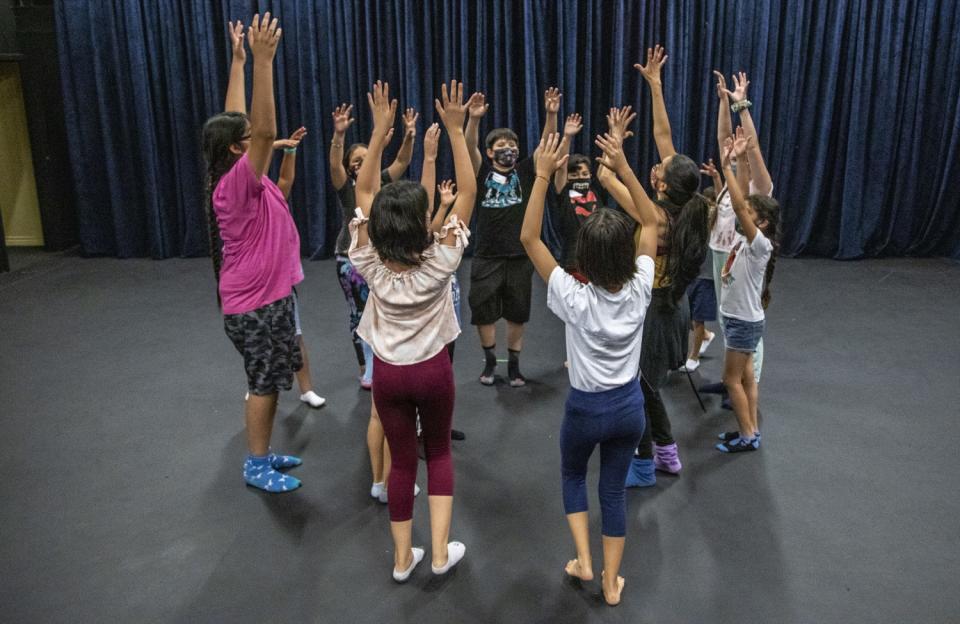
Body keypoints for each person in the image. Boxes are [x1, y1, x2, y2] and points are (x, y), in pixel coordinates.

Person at [520, 131, 658, 606]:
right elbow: (653, 221)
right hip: (629, 408)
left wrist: (540, 175)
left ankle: (583, 560)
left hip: (584, 409)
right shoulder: (641, 287)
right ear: (626, 253)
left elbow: (529, 237)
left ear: (584, 259)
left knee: (574, 476)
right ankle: (612, 582)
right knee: (614, 492)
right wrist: (622, 168)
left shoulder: (573, 297)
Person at [349, 80, 476, 582]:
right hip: (432, 371)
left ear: (379, 227)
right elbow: (466, 191)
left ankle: (403, 560)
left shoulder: (368, 261)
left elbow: (363, 189)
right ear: (421, 224)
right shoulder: (441, 260)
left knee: (401, 464)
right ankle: (441, 553)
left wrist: (380, 131)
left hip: (388, 374)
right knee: (438, 452)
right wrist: (455, 130)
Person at [202, 15, 303, 492]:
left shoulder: (241, 173)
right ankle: (255, 463)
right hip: (254, 305)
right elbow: (261, 131)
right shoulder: (237, 184)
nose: (253, 140)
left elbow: (240, 122)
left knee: (271, 376)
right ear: (236, 149)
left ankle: (263, 451)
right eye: (244, 140)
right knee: (262, 381)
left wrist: (240, 61)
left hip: (270, 297)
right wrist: (265, 63)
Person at [625, 46, 711, 486]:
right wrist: (655, 87)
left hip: (657, 311)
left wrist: (614, 163)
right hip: (672, 306)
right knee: (646, 385)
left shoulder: (657, 216)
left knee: (639, 386)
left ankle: (644, 464)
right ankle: (667, 454)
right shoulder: (690, 202)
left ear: (660, 182)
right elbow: (664, 137)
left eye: (658, 168)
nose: (656, 164)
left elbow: (622, 188)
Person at [464, 88, 560, 386]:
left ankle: (514, 364)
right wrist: (474, 121)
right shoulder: (480, 171)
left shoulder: (526, 171)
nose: (510, 148)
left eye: (513, 144)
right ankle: (491, 361)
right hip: (487, 253)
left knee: (518, 310)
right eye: (502, 145)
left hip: (520, 255)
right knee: (483, 309)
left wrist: (552, 114)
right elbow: (468, 147)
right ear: (491, 152)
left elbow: (546, 145)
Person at [329, 103, 418, 389]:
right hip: (351, 258)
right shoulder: (347, 187)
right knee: (359, 312)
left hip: (383, 256)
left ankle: (387, 359)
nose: (362, 164)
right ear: (349, 167)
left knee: (384, 310)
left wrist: (409, 137)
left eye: (367, 158)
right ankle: (366, 366)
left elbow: (402, 162)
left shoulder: (381, 180)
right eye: (356, 160)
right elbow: (334, 164)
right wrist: (339, 136)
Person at [704, 71, 775, 387]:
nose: (733, 152)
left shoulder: (759, 187)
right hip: (722, 254)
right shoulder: (729, 182)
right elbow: (722, 141)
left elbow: (754, 147)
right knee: (725, 318)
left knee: (744, 320)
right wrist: (722, 102)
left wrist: (741, 106)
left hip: (742, 259)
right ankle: (733, 375)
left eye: (739, 151)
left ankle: (751, 380)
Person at [715, 135, 780, 452]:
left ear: (763, 222)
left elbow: (740, 205)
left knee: (731, 381)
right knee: (747, 379)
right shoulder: (744, 240)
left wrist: (727, 164)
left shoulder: (759, 245)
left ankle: (747, 435)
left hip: (742, 322)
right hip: (740, 318)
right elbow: (740, 201)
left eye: (751, 214)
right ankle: (750, 428)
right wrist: (738, 163)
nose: (743, 213)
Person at [269, 126, 327, 408]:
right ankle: (259, 387)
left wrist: (289, 149)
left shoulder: (275, 196)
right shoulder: (248, 207)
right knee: (263, 340)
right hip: (260, 286)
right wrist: (274, 144)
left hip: (283, 282)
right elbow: (245, 164)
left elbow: (285, 178)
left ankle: (306, 389)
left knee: (295, 335)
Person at [681, 166, 721, 372]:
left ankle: (694, 356)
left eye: (713, 203)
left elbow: (721, 205)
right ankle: (706, 335)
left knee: (698, 319)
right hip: (692, 275)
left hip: (707, 278)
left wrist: (716, 179)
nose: (710, 207)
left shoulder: (718, 224)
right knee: (686, 315)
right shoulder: (695, 224)